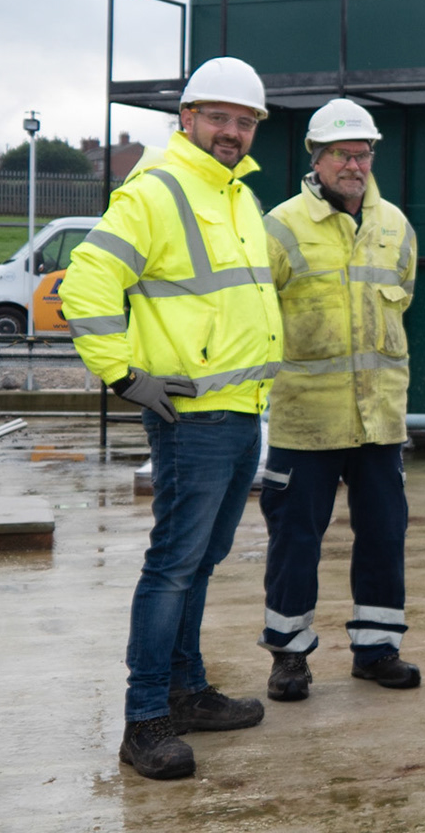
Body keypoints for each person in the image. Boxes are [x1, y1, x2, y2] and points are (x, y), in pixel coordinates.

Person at [62, 56, 284, 780]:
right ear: (186, 119)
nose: (232, 131)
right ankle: (145, 717)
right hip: (192, 417)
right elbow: (89, 278)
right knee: (173, 567)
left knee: (200, 562)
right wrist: (124, 374)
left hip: (240, 409)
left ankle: (187, 691)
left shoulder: (238, 196)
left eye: (244, 121)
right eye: (218, 117)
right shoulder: (157, 189)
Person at [256, 98, 421, 700]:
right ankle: (289, 656)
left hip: (379, 421)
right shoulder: (279, 227)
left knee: (384, 536)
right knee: (296, 540)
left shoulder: (396, 227)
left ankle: (376, 650)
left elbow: (404, 294)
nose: (355, 164)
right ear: (317, 159)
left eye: (363, 153)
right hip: (306, 421)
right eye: (343, 154)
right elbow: (258, 317)